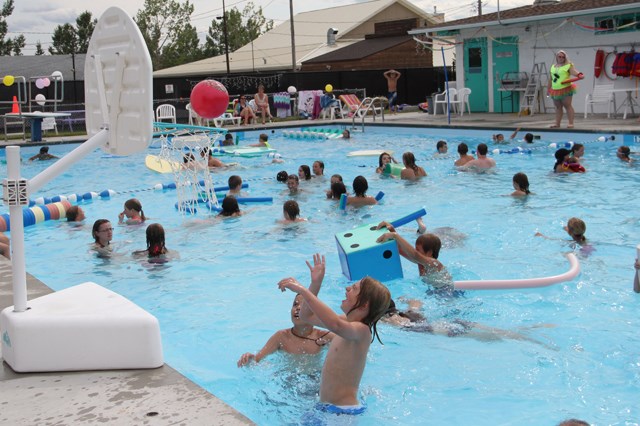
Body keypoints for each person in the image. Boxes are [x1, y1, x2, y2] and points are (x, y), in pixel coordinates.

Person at [277, 256, 391, 413]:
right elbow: (306, 316)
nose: (347, 289)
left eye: (354, 288)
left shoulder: (362, 331)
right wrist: (315, 284)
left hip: (343, 412)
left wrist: (302, 290)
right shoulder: (345, 322)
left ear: (364, 305)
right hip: (325, 407)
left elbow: (334, 324)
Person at [237, 254, 334, 367]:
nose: (298, 308)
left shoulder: (324, 337)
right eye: (295, 304)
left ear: (314, 311)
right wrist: (249, 358)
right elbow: (257, 359)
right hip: (287, 380)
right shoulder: (281, 337)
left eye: (303, 305)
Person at [383, 299, 553, 345]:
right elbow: (416, 302)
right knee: (502, 332)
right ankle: (531, 329)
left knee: (495, 337)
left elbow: (401, 325)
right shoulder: (409, 312)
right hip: (449, 322)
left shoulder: (390, 318)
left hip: (441, 328)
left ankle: (542, 343)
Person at [376, 221, 453, 290]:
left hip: (447, 291)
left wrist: (395, 235)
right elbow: (399, 249)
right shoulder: (420, 262)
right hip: (434, 291)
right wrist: (391, 229)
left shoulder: (434, 263)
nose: (416, 251)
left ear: (429, 252)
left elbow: (414, 255)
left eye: (418, 250)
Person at [548, 50, 583, 128]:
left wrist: (579, 74)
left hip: (565, 88)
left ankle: (571, 123)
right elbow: (550, 79)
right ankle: (557, 123)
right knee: (557, 107)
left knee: (567, 105)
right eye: (559, 56)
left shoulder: (568, 66)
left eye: (563, 57)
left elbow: (574, 72)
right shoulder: (553, 67)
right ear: (556, 57)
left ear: (565, 58)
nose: (561, 58)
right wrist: (548, 89)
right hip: (555, 90)